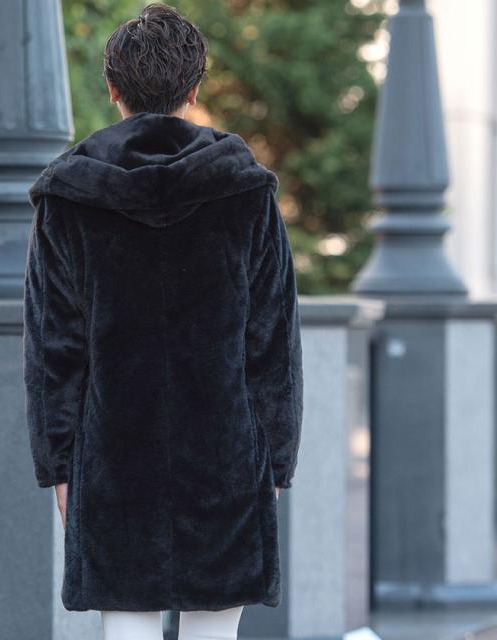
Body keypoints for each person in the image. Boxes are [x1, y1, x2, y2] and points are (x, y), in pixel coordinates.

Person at [22, 3, 303, 640]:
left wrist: (58, 468)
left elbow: (52, 351)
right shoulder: (245, 191)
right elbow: (274, 345)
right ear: (194, 89)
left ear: (112, 88)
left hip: (111, 455)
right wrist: (277, 464)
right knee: (215, 632)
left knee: (126, 628)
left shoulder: (68, 196)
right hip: (226, 453)